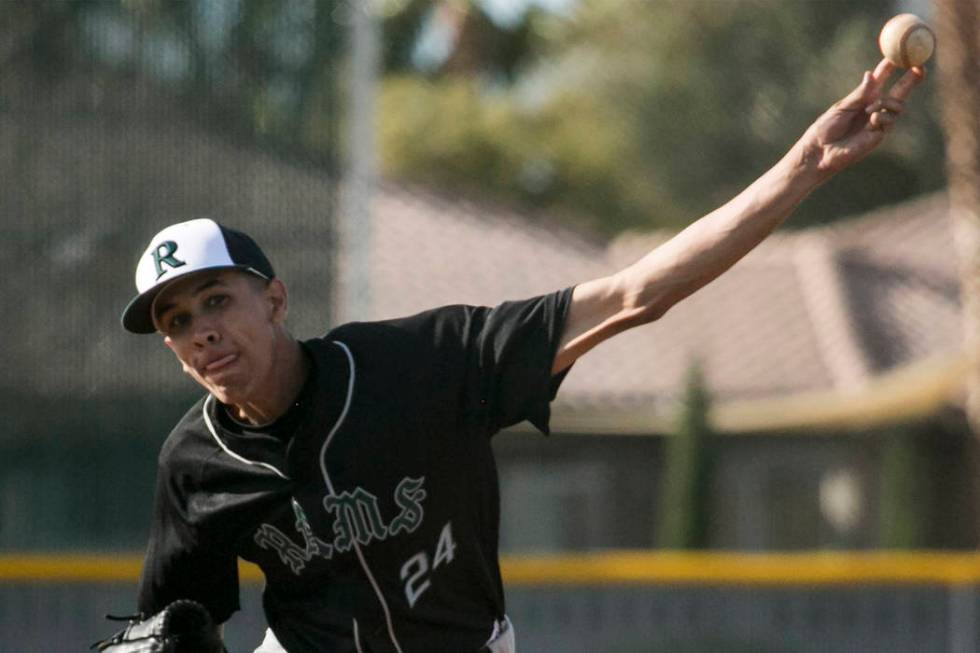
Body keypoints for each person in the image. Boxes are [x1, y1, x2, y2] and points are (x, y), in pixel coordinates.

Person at [122, 60, 923, 653]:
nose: (202, 329)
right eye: (179, 319)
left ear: (274, 299)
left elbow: (635, 291)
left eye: (217, 299)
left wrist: (804, 168)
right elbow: (165, 627)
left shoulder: (417, 365)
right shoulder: (195, 464)